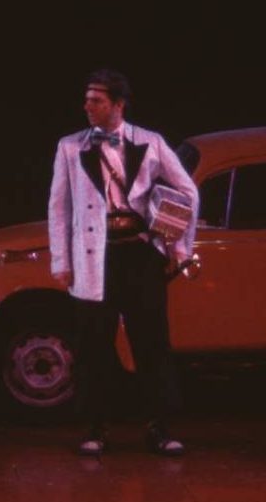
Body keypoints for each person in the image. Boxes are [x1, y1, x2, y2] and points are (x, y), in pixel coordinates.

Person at [48, 68, 198, 456]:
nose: (87, 107)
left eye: (96, 100)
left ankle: (159, 427)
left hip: (139, 253)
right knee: (93, 344)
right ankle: (95, 428)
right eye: (86, 99)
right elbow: (59, 208)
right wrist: (61, 261)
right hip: (92, 257)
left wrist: (177, 246)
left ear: (118, 104)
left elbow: (187, 191)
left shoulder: (150, 142)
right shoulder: (70, 147)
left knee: (151, 341)